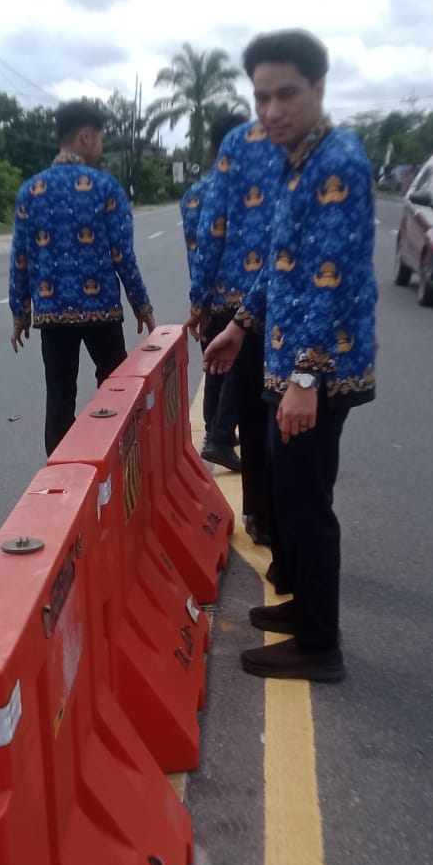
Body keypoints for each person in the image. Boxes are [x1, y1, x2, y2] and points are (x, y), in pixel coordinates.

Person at [205, 29, 377, 683]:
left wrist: (305, 377)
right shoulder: (300, 158)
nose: (271, 111)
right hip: (289, 361)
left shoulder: (337, 161)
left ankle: (318, 645)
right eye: (261, 98)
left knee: (306, 504)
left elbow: (329, 277)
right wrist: (241, 326)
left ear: (319, 89)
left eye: (287, 94)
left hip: (319, 370)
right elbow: (283, 266)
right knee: (291, 491)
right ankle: (305, 611)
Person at [9, 99, 156, 456]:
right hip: (101, 311)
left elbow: (21, 258)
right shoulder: (105, 187)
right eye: (101, 139)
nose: (101, 147)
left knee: (59, 396)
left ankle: (63, 479)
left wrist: (20, 312)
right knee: (114, 387)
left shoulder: (31, 191)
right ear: (86, 137)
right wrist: (142, 304)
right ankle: (120, 460)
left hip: (52, 314)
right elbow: (122, 254)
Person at [189, 110, 286, 544]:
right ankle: (284, 519)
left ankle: (258, 515)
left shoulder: (230, 155)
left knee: (251, 410)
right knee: (286, 414)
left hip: (236, 305)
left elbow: (208, 237)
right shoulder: (310, 142)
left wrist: (200, 301)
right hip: (291, 302)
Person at [182, 112, 252, 475]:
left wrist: (200, 302)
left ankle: (214, 429)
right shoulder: (256, 190)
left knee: (216, 365)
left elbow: (197, 252)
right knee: (241, 368)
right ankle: (221, 436)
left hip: (211, 294)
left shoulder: (195, 194)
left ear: (211, 148)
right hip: (247, 298)